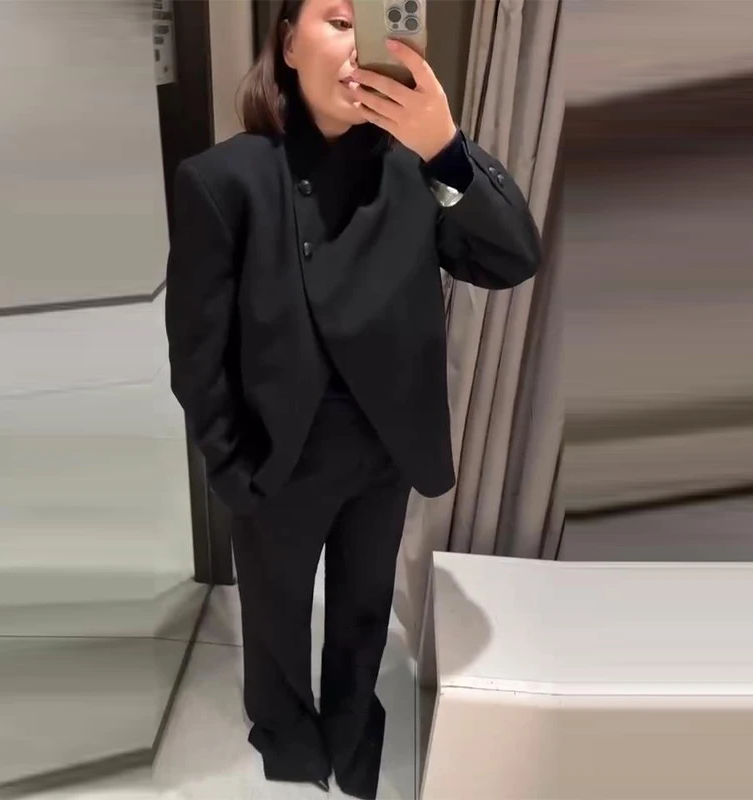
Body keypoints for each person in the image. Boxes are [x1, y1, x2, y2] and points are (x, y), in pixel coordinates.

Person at [164, 0, 541, 796]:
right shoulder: (224, 180)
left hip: (382, 450)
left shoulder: (416, 169)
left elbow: (511, 259)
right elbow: (197, 356)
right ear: (287, 44)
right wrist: (231, 469)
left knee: (364, 607)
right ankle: (284, 731)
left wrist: (447, 148)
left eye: (381, 23)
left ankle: (352, 722)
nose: (363, 43)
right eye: (339, 20)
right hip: (278, 455)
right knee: (275, 616)